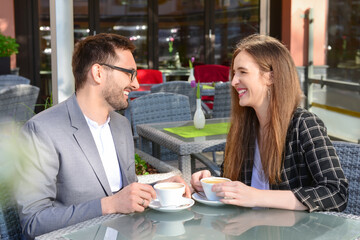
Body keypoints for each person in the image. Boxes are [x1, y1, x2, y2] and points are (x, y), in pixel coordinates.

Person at [15, 33, 190, 239]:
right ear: (98, 73)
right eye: (129, 73)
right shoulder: (41, 131)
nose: (135, 85)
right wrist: (109, 205)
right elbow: (33, 222)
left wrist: (163, 188)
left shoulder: (121, 124)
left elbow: (124, 194)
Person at [191, 34, 348, 212]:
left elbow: (336, 193)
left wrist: (257, 197)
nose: (234, 81)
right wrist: (210, 184)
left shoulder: (303, 125)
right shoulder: (244, 127)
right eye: (234, 73)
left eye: (242, 72)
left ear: (271, 77)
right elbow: (237, 186)